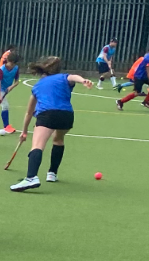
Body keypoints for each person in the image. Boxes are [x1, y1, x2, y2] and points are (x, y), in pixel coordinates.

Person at [10, 57, 93, 191]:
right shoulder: (63, 78)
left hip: (47, 115)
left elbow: (28, 113)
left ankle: (31, 178)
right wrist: (83, 81)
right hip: (66, 116)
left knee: (37, 145)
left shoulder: (37, 86)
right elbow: (74, 77)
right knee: (58, 139)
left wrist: (24, 131)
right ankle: (52, 173)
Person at [117, 43, 149, 110]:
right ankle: (120, 101)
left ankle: (146, 102)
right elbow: (148, 73)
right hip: (139, 77)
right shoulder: (148, 58)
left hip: (145, 76)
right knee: (137, 93)